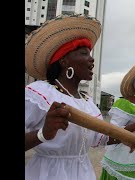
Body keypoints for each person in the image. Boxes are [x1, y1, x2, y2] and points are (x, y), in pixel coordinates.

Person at [25, 14, 110, 180]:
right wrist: (43, 133)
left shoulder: (88, 103)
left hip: (84, 173)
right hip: (47, 174)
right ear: (64, 62)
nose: (92, 59)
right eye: (84, 53)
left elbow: (101, 139)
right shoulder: (39, 94)